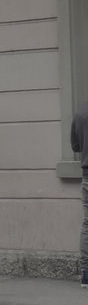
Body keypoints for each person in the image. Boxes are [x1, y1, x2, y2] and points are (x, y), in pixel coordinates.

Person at [70, 100, 88, 287]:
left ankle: (86, 275)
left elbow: (75, 146)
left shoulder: (81, 111)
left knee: (87, 225)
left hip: (87, 177)